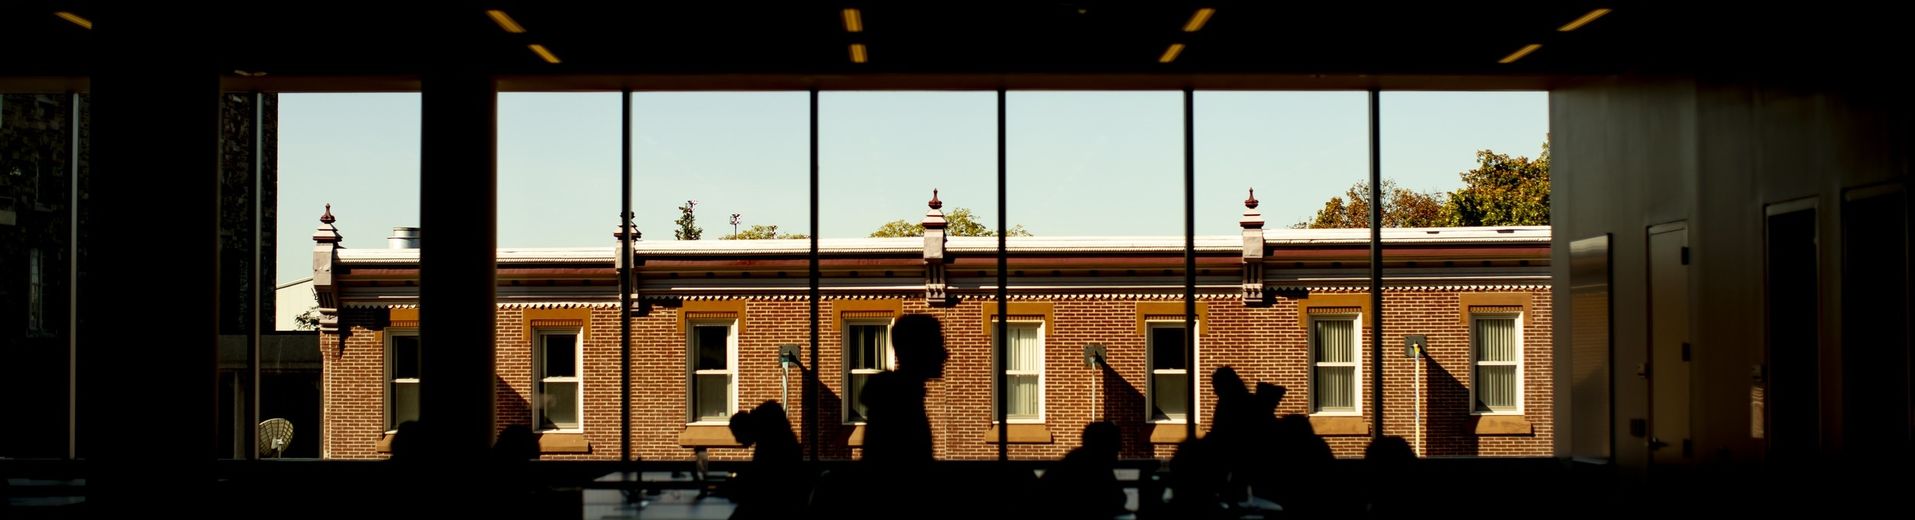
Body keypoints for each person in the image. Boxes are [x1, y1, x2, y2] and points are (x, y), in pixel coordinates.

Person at [1039, 421, 1127, 519]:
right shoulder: (1092, 468)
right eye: (1116, 444)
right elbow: (1115, 500)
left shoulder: (1079, 463)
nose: (1120, 449)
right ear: (1104, 447)